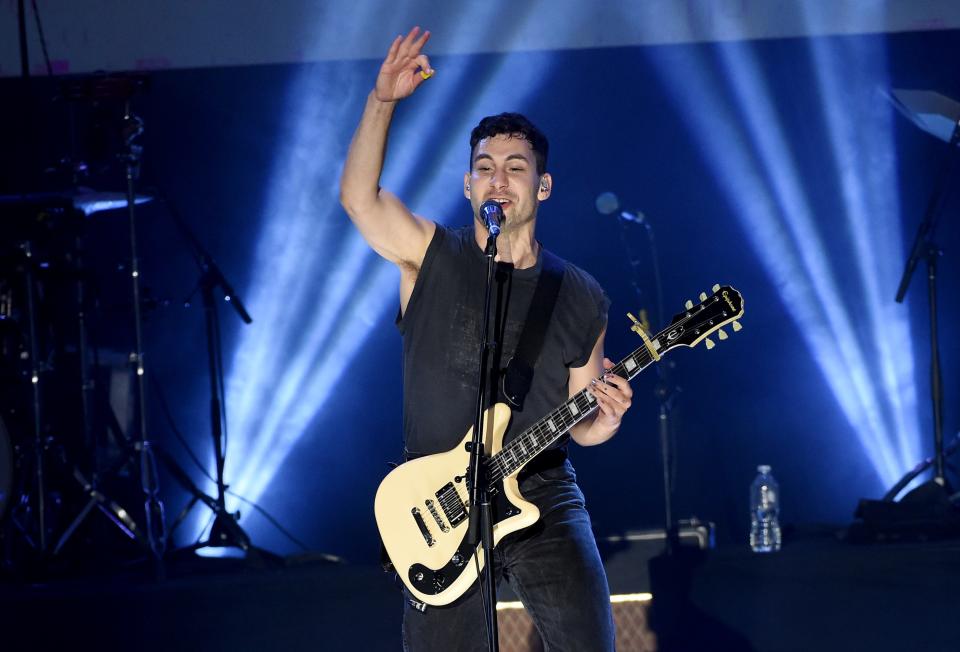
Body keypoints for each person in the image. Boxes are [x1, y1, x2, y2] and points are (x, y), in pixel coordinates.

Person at [340, 26, 633, 652]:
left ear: (542, 187)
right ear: (469, 186)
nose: (498, 179)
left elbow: (584, 423)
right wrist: (382, 100)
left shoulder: (579, 293)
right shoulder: (431, 256)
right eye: (484, 168)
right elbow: (359, 200)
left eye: (515, 168)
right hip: (438, 502)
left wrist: (606, 416)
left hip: (541, 491)